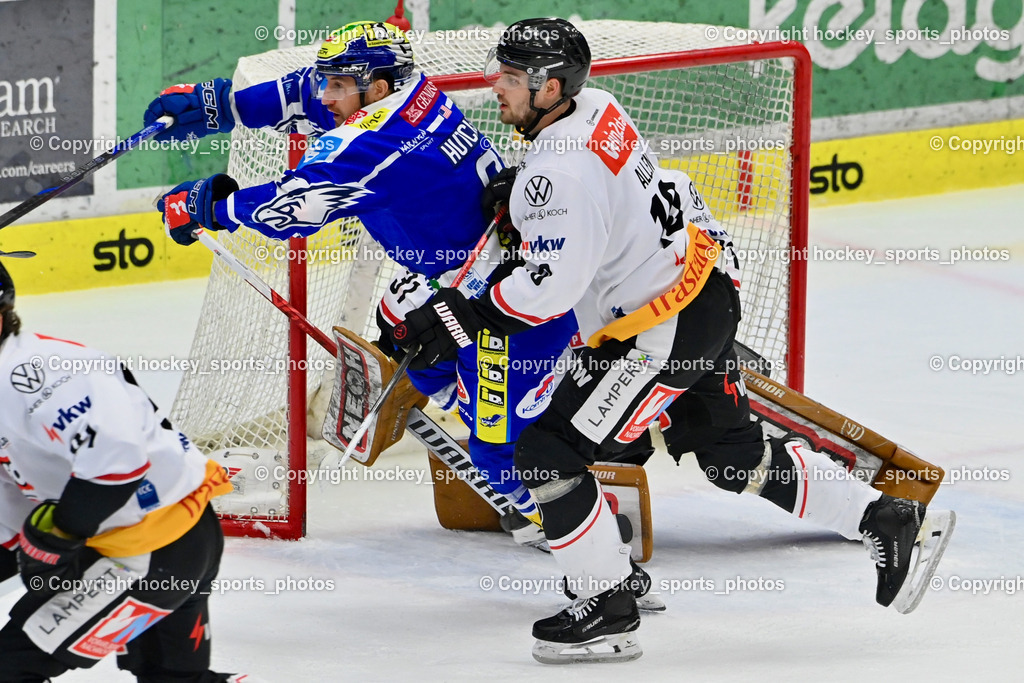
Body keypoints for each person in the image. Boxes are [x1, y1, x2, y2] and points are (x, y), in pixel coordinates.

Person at [392, 17, 954, 664]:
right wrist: (523, 188)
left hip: (656, 326)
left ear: (550, 87)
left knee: (548, 450)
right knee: (731, 458)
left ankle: (608, 603)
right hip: (705, 289)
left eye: (514, 78)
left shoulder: (560, 177)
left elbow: (550, 289)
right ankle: (883, 516)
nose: (499, 87)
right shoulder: (596, 107)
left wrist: (460, 315)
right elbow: (594, 194)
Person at [145, 21, 583, 552]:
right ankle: (448, 386)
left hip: (507, 312)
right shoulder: (411, 91)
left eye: (338, 86)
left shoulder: (376, 141)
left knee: (498, 450)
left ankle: (550, 521)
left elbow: (294, 207)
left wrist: (209, 207)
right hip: (461, 284)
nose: (326, 95)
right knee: (403, 321)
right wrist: (219, 107)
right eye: (329, 83)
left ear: (375, 88)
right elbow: (304, 91)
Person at [0, 257, 240, 681]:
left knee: (10, 665)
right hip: (158, 542)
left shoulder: (36, 372)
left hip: (149, 551)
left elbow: (115, 463)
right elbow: (11, 513)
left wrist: (62, 534)